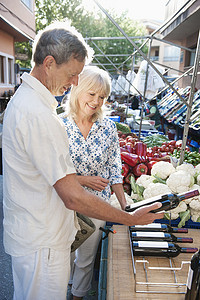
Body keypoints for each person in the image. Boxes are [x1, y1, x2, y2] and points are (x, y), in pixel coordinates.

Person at [2, 21, 164, 300]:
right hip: (44, 243)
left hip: (35, 237)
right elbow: (73, 197)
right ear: (49, 63)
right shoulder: (38, 115)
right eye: (73, 74)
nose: (75, 82)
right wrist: (129, 218)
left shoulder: (29, 104)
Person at [62, 65, 128, 299]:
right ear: (77, 89)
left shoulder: (108, 128)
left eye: (102, 97)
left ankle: (78, 296)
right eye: (92, 94)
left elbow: (115, 171)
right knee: (63, 259)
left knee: (86, 259)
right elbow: (50, 171)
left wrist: (125, 209)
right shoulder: (59, 125)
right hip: (64, 204)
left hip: (96, 205)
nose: (96, 101)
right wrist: (83, 179)